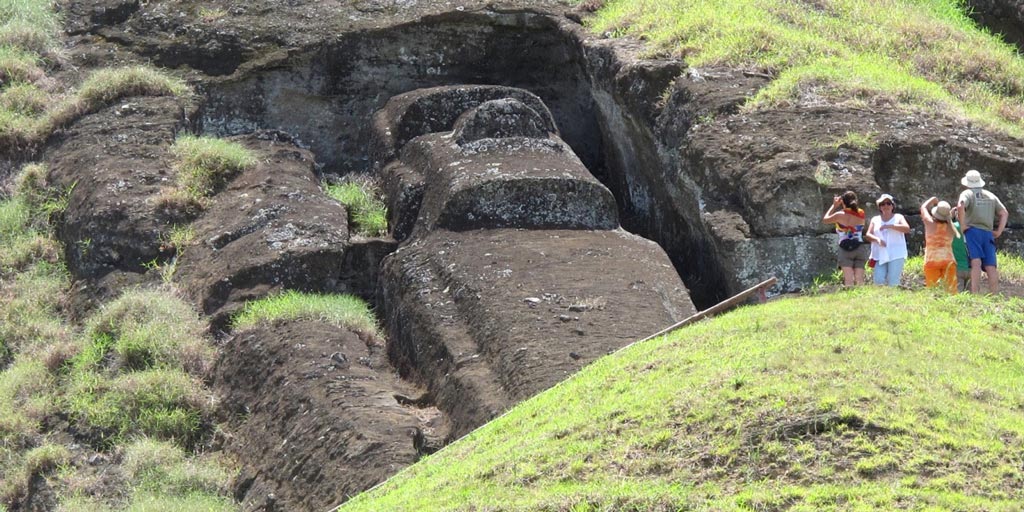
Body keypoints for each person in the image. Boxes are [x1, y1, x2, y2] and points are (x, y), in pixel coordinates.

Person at [957, 170, 1008, 294]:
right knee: (991, 266)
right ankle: (994, 294)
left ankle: (975, 292)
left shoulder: (967, 193)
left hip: (972, 231)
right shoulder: (990, 195)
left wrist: (963, 225)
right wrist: (999, 231)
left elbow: (961, 205)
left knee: (976, 262)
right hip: (987, 232)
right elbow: (1004, 213)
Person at [823, 191, 868, 286]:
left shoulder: (839, 214)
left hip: (845, 248)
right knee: (859, 279)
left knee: (848, 279)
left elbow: (825, 219)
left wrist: (834, 205)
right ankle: (862, 298)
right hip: (859, 247)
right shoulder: (861, 213)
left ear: (842, 201)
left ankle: (850, 297)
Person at [864, 194, 910, 286]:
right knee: (878, 280)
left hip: (896, 253)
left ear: (892, 206)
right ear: (879, 207)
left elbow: (906, 229)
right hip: (880, 254)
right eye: (883, 204)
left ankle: (893, 299)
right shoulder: (875, 219)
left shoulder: (898, 217)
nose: (886, 206)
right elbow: (868, 235)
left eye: (888, 203)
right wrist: (877, 239)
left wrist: (890, 226)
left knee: (893, 281)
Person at [920, 197, 958, 294]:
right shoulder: (951, 227)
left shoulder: (929, 223)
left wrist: (932, 200)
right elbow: (949, 220)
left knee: (933, 290)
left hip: (931, 260)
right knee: (951, 291)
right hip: (949, 261)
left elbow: (923, 208)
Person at [951, 207, 971, 292]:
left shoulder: (954, 227)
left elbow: (942, 223)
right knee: (972, 296)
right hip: (973, 269)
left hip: (957, 267)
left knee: (957, 296)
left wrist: (950, 215)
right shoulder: (973, 228)